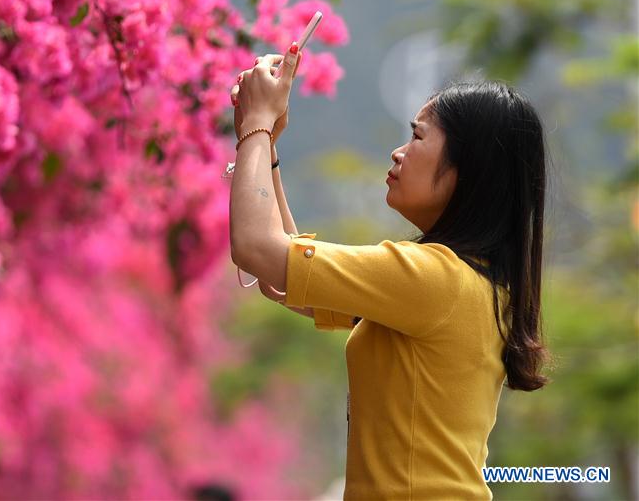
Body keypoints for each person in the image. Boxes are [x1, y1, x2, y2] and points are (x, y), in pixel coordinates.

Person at [229, 47, 551, 500]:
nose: (398, 153)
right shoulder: (462, 284)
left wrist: (256, 126)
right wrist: (267, 145)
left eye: (417, 138)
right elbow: (286, 278)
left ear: (467, 171)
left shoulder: (433, 279)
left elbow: (257, 248)